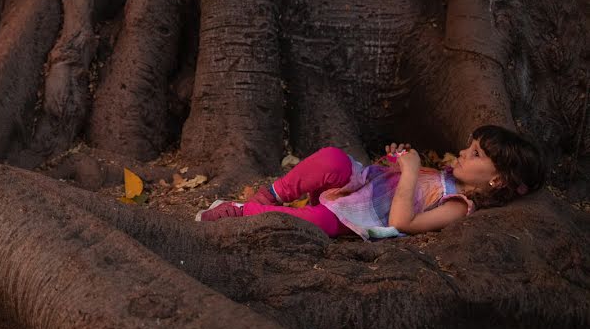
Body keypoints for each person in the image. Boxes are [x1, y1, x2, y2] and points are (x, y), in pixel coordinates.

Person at [195, 125, 546, 240]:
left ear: (497, 180)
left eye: (476, 154)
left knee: (320, 222)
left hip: (360, 217)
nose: (462, 153)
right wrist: (395, 163)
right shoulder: (445, 175)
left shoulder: (458, 206)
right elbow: (387, 178)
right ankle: (269, 195)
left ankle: (243, 213)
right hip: (358, 185)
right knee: (333, 157)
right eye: (469, 147)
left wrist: (410, 173)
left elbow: (401, 223)